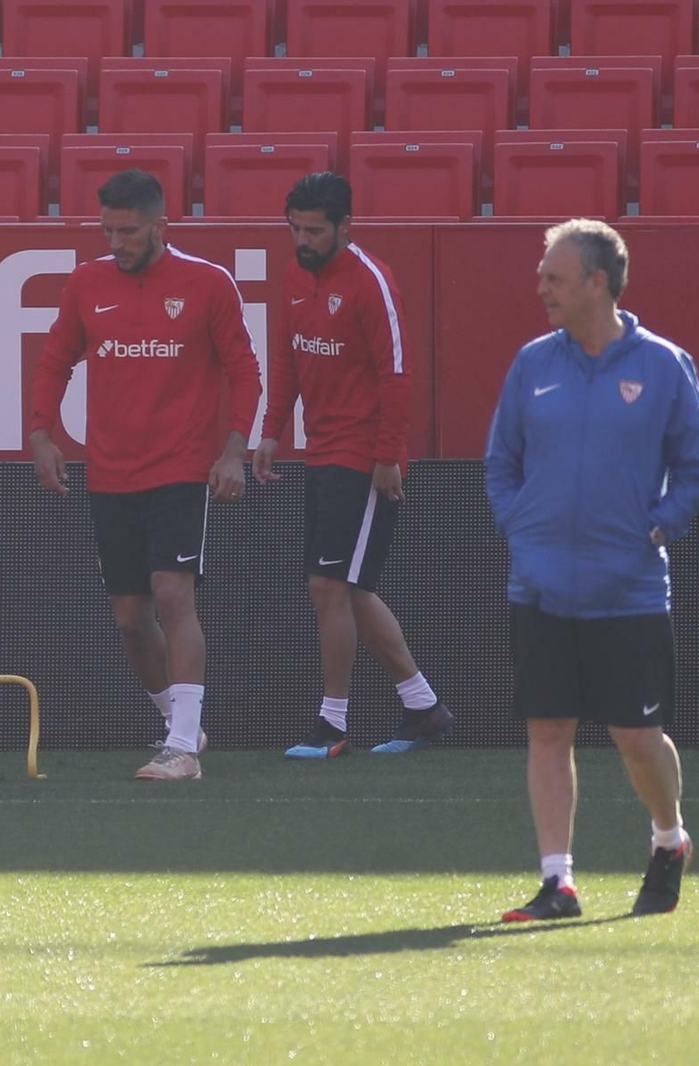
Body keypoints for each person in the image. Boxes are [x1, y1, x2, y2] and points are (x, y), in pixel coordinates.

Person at [485, 220, 699, 919]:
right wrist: (521, 529)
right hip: (541, 586)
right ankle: (558, 881)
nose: (541, 288)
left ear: (597, 282)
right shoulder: (532, 364)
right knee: (547, 731)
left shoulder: (665, 365)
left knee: (637, 738)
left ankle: (668, 838)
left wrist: (657, 526)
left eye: (554, 277)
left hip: (629, 591)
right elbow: (502, 464)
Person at [29, 169, 262, 782]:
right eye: (108, 230)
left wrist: (233, 449)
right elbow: (55, 360)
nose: (117, 242)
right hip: (109, 472)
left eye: (128, 231)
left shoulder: (208, 284)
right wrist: (41, 434)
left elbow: (245, 370)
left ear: (161, 225)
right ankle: (178, 725)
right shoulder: (86, 284)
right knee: (131, 618)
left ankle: (182, 747)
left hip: (181, 468)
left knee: (172, 595)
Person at [253, 172, 453, 759]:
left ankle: (334, 723)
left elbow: (397, 374)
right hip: (321, 448)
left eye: (314, 230)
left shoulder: (371, 282)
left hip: (362, 453)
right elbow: (289, 360)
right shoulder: (294, 278)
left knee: (329, 585)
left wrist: (388, 454)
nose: (303, 240)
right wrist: (270, 433)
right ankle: (423, 707)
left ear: (346, 226)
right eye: (295, 229)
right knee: (349, 588)